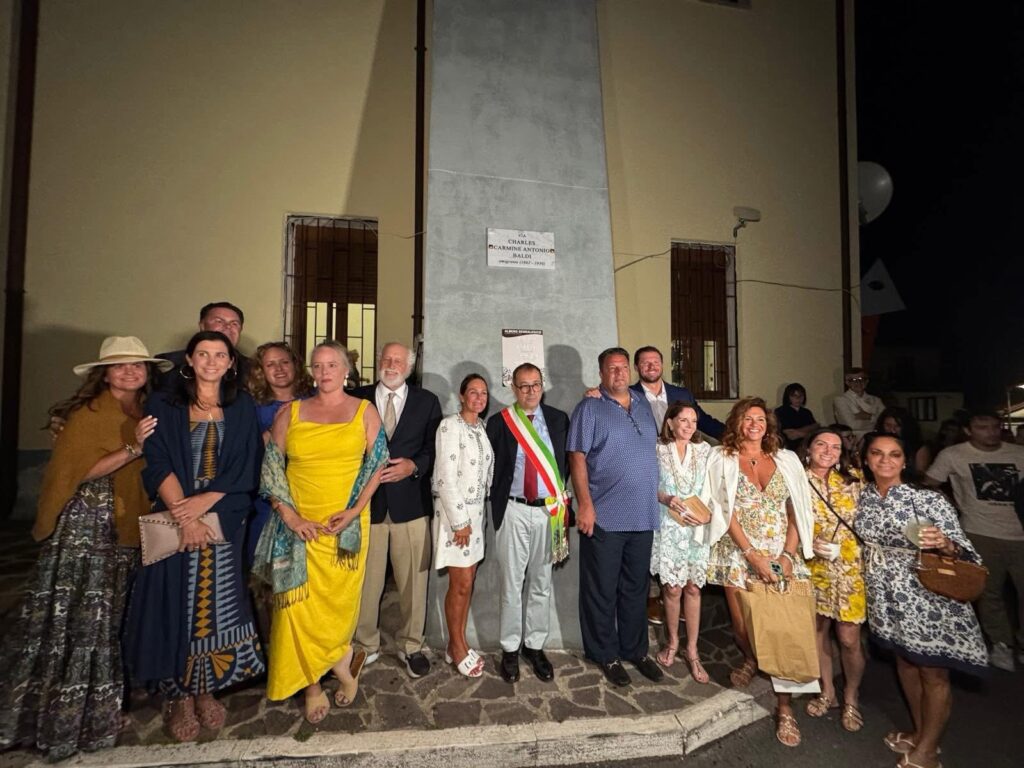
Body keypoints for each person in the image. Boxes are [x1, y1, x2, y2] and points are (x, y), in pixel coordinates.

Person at [0, 337, 169, 760]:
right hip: (88, 526)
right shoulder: (88, 414)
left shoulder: (143, 410)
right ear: (105, 373)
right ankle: (62, 715)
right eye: (120, 366)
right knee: (80, 619)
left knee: (108, 618)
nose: (130, 372)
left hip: (126, 524)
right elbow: (78, 471)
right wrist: (132, 449)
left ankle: (96, 707)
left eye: (137, 366)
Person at [123, 330, 265, 743]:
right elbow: (157, 459)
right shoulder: (164, 405)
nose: (211, 361)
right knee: (177, 603)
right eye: (203, 354)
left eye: (219, 355)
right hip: (175, 511)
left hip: (223, 513)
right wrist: (184, 515)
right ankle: (177, 696)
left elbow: (246, 465)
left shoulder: (240, 407)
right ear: (189, 359)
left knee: (216, 603)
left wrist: (205, 504)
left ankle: (206, 689)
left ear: (231, 363)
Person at [261, 341, 385, 723]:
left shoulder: (365, 411)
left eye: (332, 364)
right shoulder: (290, 413)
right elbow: (271, 470)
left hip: (344, 527)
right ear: (311, 372)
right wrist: (292, 518)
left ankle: (341, 659)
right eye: (318, 365)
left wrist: (354, 511)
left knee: (338, 609)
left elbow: (377, 466)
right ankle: (313, 684)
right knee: (296, 610)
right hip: (298, 529)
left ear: (346, 369)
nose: (325, 371)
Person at [857, 432, 987, 768]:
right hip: (886, 597)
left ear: (905, 460)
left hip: (927, 598)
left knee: (933, 672)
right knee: (906, 663)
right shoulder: (863, 497)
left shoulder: (926, 499)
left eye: (895, 454)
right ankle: (920, 732)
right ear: (866, 458)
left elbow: (964, 550)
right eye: (877, 453)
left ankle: (928, 751)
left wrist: (944, 543)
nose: (885, 461)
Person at [704, 397, 815, 747]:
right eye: (747, 418)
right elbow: (723, 509)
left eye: (760, 419)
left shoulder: (786, 459)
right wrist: (752, 555)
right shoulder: (721, 458)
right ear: (736, 423)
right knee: (744, 627)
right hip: (739, 553)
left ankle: (784, 709)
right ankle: (752, 658)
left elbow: (797, 508)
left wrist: (786, 555)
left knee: (783, 630)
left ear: (769, 424)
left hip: (782, 553)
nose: (755, 424)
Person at [567, 347, 663, 687]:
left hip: (643, 516)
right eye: (612, 368)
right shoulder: (589, 408)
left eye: (623, 368)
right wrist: (586, 505)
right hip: (605, 517)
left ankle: (635, 650)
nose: (619, 373)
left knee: (636, 589)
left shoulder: (642, 405)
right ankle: (605, 653)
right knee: (601, 590)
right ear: (601, 373)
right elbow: (577, 458)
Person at [352, 342, 442, 678]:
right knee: (365, 581)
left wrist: (414, 467)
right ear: (379, 363)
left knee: (413, 583)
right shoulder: (356, 397)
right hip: (366, 506)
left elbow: (435, 448)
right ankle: (365, 645)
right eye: (386, 359)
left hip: (411, 505)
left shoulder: (427, 401)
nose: (392, 365)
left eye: (398, 360)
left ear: (410, 365)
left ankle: (412, 645)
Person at [486, 363, 571, 684]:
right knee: (511, 583)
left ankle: (535, 646)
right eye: (523, 386)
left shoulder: (560, 420)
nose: (530, 391)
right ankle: (510, 648)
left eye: (535, 384)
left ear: (543, 385)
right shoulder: (499, 423)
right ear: (513, 388)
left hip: (549, 513)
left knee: (541, 582)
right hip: (514, 510)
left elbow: (568, 462)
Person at [924, 410, 1024, 671]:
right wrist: (949, 508)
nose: (990, 432)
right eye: (982, 427)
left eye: (994, 427)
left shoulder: (1018, 453)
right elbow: (929, 483)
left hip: (1020, 531)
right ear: (969, 430)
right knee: (989, 592)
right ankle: (1001, 643)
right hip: (980, 531)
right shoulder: (954, 455)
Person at [802, 428, 866, 733]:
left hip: (851, 569)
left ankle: (851, 695)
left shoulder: (854, 479)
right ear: (809, 448)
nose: (828, 451)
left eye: (835, 446)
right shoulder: (799, 480)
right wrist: (808, 542)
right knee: (818, 630)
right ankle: (827, 689)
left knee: (849, 638)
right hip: (815, 567)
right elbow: (788, 519)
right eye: (821, 444)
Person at [432, 374, 494, 678]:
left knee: (468, 582)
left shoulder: (480, 428)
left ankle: (456, 642)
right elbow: (444, 476)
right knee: (460, 585)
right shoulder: (449, 426)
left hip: (476, 517)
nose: (479, 397)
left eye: (484, 393)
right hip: (455, 518)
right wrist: (459, 522)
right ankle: (457, 647)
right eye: (473, 392)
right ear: (461, 395)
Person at [651, 401, 712, 683]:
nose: (689, 426)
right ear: (670, 422)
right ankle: (673, 642)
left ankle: (692, 649)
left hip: (696, 527)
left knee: (693, 588)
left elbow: (714, 487)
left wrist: (707, 513)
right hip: (669, 525)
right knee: (672, 588)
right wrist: (666, 498)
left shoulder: (705, 451)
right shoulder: (658, 449)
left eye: (693, 421)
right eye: (683, 420)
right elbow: (648, 484)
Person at [244, 341, 316, 566]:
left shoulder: (315, 398)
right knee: (265, 564)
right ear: (261, 371)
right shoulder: (251, 406)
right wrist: (276, 428)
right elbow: (248, 452)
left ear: (295, 365)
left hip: (309, 489)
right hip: (266, 497)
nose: (279, 369)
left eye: (285, 362)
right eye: (270, 364)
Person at [630, 345, 724, 438]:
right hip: (645, 452)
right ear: (636, 367)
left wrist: (733, 437)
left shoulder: (682, 395)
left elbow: (704, 422)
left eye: (656, 362)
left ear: (662, 365)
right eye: (645, 363)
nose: (652, 367)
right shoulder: (629, 396)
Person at [156, 301, 252, 391]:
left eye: (234, 323)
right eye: (219, 321)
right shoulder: (168, 363)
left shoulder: (253, 368)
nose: (228, 326)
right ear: (202, 326)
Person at [832, 367, 884, 439]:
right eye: (853, 380)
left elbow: (883, 422)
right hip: (853, 440)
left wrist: (869, 417)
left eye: (861, 379)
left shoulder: (876, 400)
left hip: (875, 438)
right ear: (847, 382)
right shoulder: (841, 400)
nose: (858, 383)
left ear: (867, 381)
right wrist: (875, 418)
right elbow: (850, 425)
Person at [875, 406, 930, 472]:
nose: (892, 430)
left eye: (897, 426)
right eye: (888, 425)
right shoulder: (873, 442)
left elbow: (920, 474)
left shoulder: (918, 447)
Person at [774, 382, 819, 451]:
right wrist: (809, 432)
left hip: (806, 447)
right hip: (788, 448)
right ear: (788, 397)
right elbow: (790, 435)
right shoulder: (781, 411)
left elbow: (815, 429)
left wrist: (798, 432)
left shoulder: (806, 412)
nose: (798, 398)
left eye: (801, 396)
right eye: (794, 396)